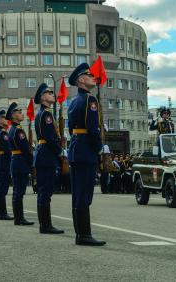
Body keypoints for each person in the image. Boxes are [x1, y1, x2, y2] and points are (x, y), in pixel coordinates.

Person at [68, 63, 108, 246]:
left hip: (77, 149)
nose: (93, 77)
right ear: (81, 80)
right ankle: (84, 235)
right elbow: (93, 130)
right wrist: (99, 148)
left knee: (78, 193)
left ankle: (80, 234)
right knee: (84, 194)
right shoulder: (90, 100)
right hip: (86, 151)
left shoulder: (74, 101)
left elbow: (71, 128)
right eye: (89, 75)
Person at [33, 83, 65, 234]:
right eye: (49, 92)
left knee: (44, 192)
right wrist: (60, 152)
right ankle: (46, 225)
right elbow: (50, 137)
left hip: (44, 155)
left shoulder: (44, 113)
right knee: (45, 192)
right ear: (42, 97)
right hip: (46, 155)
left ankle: (45, 224)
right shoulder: (45, 115)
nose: (53, 94)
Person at [7, 102, 34, 226]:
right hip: (21, 162)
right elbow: (26, 150)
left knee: (17, 191)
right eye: (18, 112)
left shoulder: (12, 129)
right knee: (19, 191)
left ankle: (18, 217)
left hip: (16, 161)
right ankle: (19, 218)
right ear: (13, 116)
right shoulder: (18, 131)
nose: (21, 114)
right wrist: (31, 163)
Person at [0, 110, 14, 220]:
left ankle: (1, 212)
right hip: (3, 163)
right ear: (0, 121)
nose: (7, 120)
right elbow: (8, 149)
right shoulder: (3, 133)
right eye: (4, 118)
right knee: (2, 189)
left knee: (1, 189)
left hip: (1, 162)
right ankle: (2, 213)